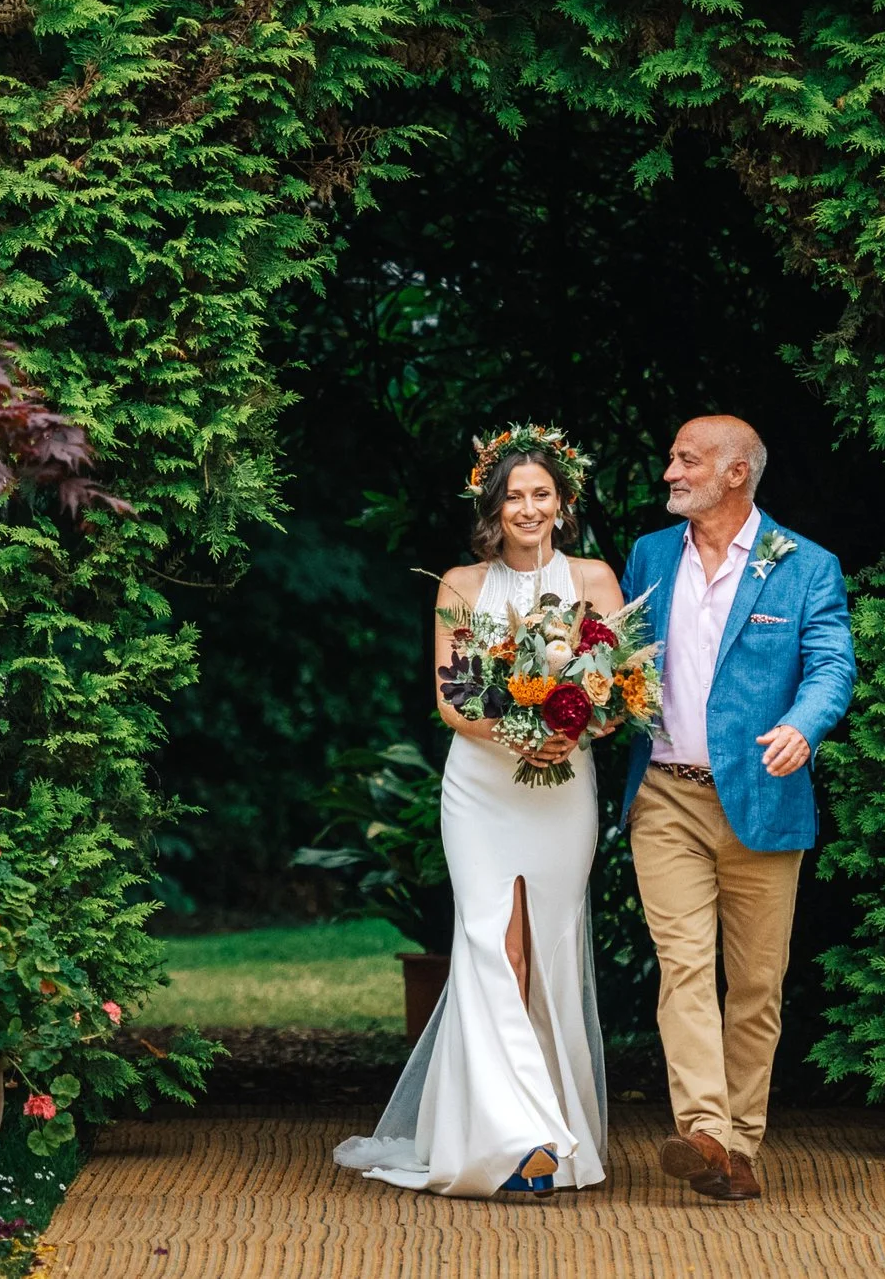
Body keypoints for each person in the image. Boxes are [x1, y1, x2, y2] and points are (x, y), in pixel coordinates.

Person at [335, 425, 617, 1197]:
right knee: (496, 946)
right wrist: (523, 729)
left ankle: (544, 1119)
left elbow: (618, 690)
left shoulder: (593, 577)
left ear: (562, 502)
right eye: (514, 495)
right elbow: (454, 699)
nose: (529, 507)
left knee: (547, 948)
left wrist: (573, 729)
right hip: (481, 790)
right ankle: (522, 1140)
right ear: (493, 506)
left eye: (542, 493)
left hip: (564, 791)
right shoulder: (460, 583)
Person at [616, 415, 854, 1202]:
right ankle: (706, 1132)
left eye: (687, 458)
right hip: (665, 796)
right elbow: (616, 658)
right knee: (684, 967)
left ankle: (740, 1146)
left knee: (755, 982)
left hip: (761, 796)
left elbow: (831, 665)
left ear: (734, 474)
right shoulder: (651, 555)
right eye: (674, 454)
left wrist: (802, 725)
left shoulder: (806, 566)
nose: (670, 471)